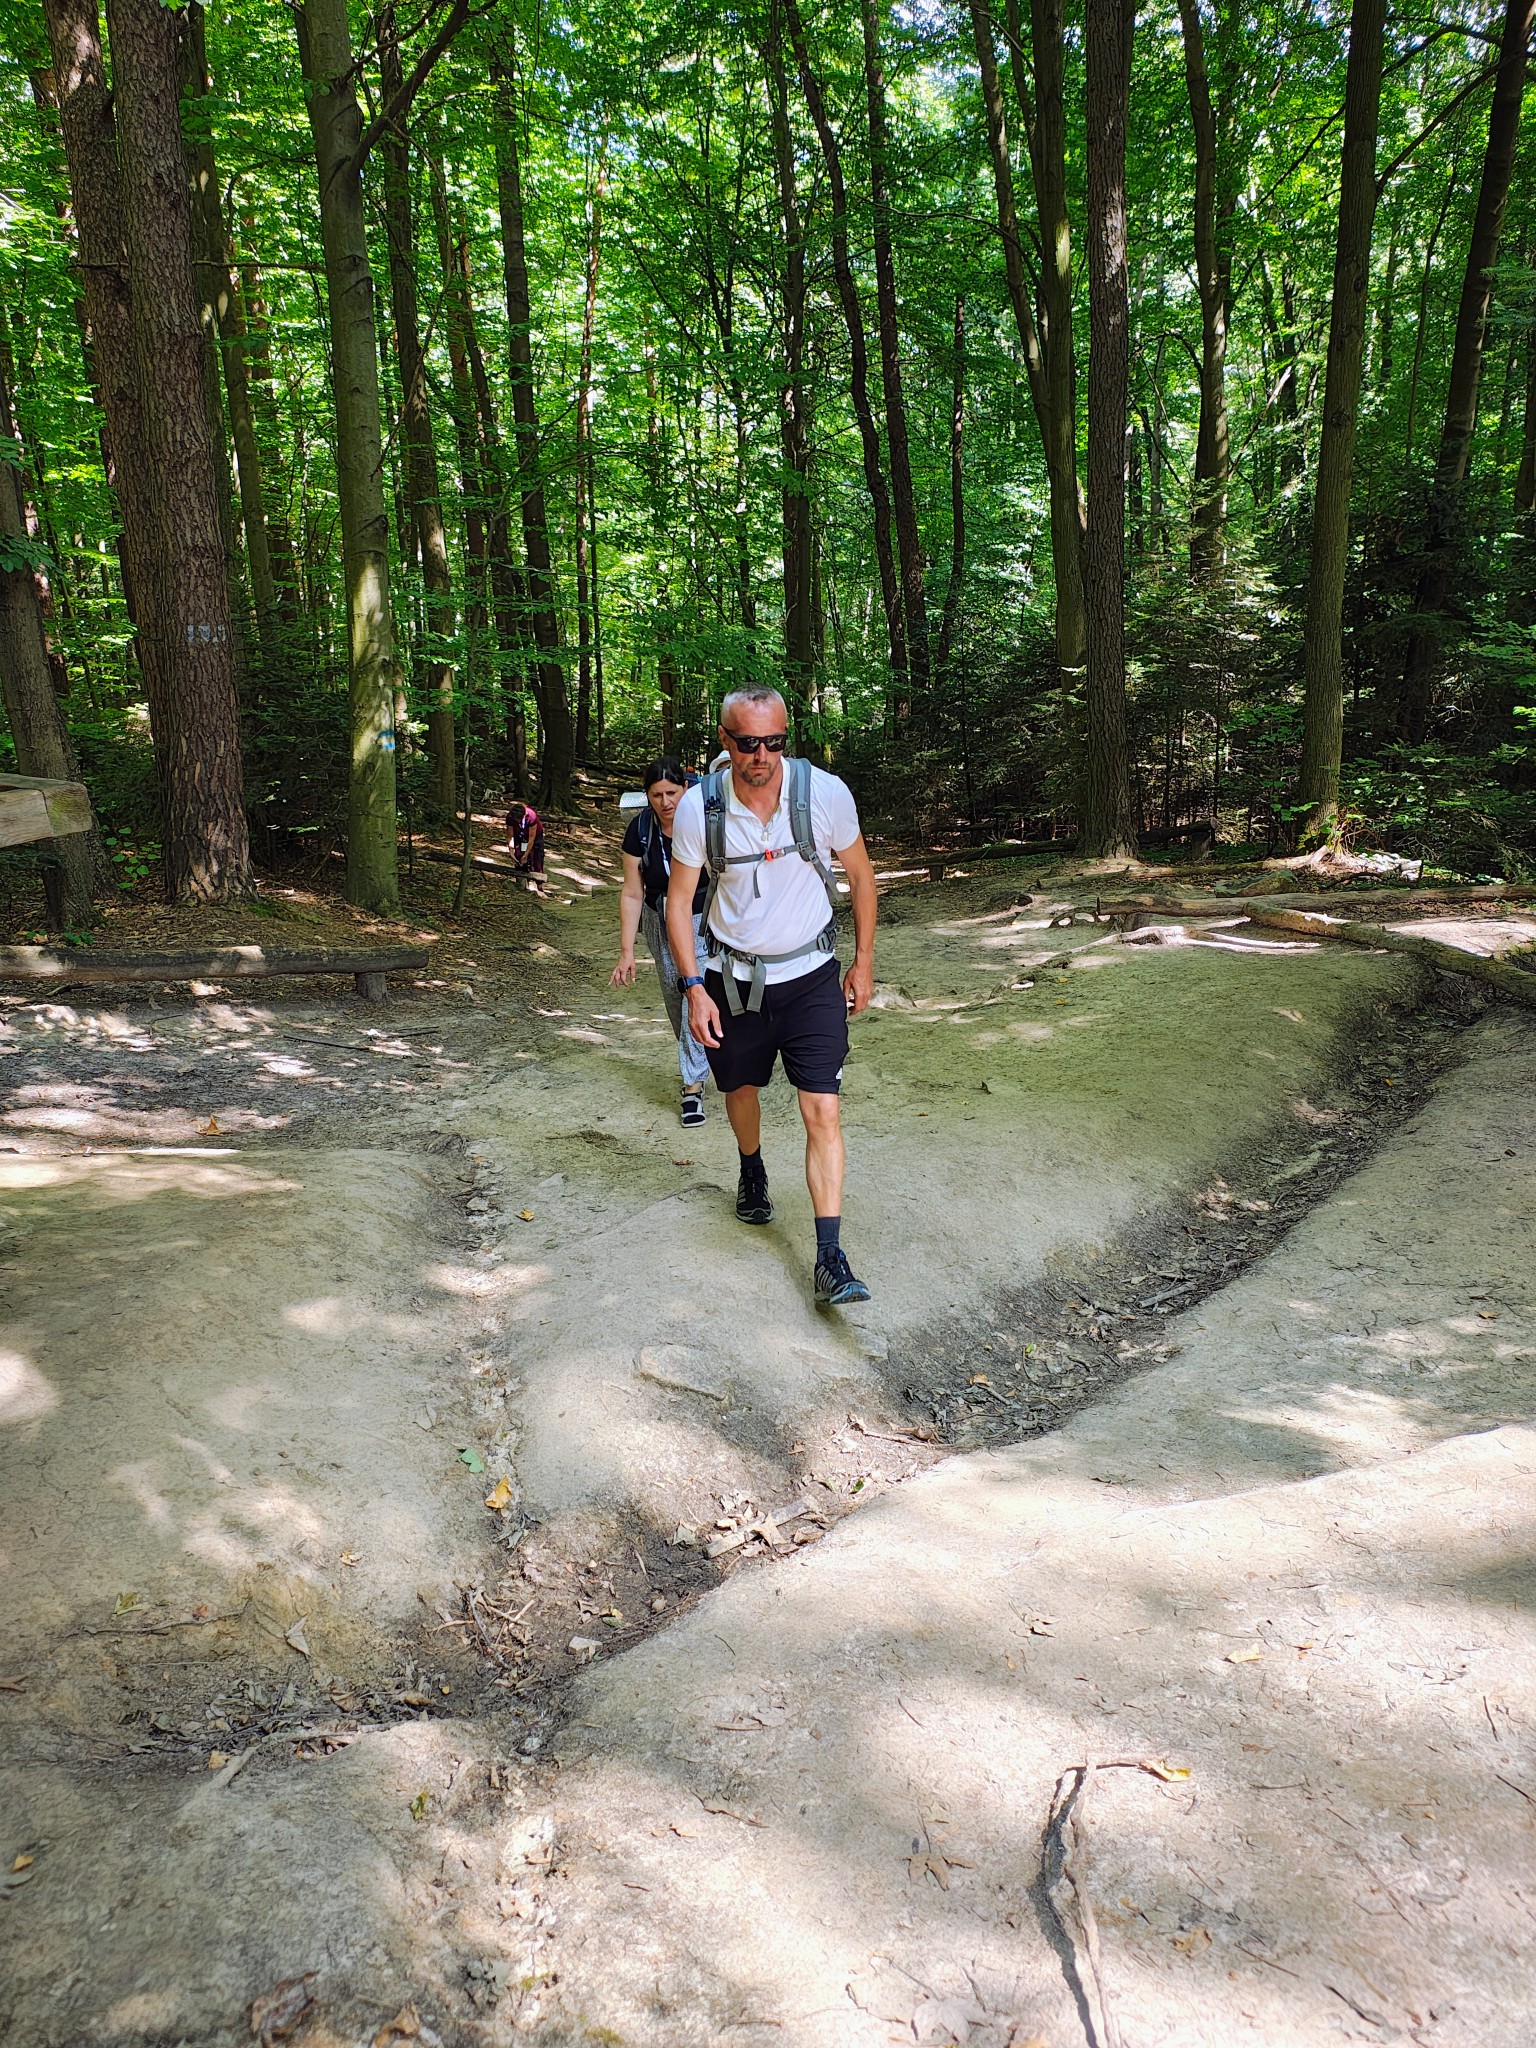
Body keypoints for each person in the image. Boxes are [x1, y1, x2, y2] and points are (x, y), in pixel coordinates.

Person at [666, 687, 878, 1308]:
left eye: (774, 742)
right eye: (748, 742)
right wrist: (694, 987)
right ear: (725, 740)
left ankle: (830, 1257)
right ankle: (751, 1166)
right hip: (732, 981)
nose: (761, 755)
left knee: (823, 1110)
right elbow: (678, 904)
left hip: (811, 977)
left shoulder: (824, 794)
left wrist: (863, 962)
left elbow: (862, 877)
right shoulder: (699, 808)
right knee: (740, 1090)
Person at [610, 756, 713, 1128]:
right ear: (647, 796)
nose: (666, 802)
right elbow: (632, 892)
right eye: (657, 795)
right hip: (659, 919)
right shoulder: (639, 830)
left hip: (702, 919)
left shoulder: (704, 823)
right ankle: (699, 1054)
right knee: (676, 995)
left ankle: (692, 1087)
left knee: (693, 989)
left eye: (672, 792)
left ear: (685, 788)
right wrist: (627, 951)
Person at [506, 800, 545, 891]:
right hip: (520, 836)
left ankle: (539, 885)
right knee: (519, 855)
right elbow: (510, 836)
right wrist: (511, 852)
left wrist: (526, 854)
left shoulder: (531, 816)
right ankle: (522, 882)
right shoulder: (510, 817)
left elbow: (531, 839)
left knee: (537, 857)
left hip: (535, 836)